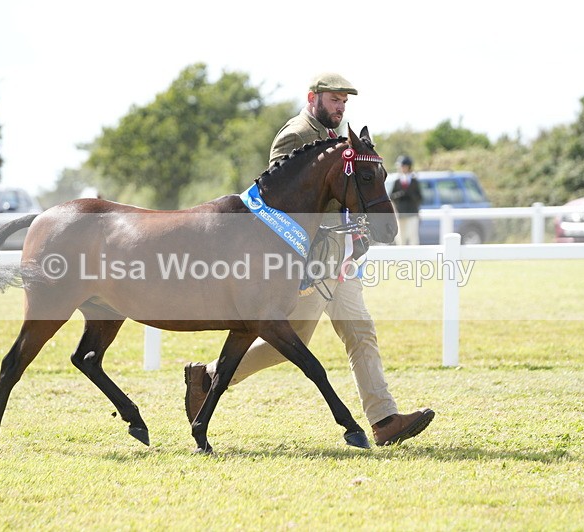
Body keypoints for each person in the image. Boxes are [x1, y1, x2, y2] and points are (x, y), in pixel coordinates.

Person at [184, 73, 434, 446]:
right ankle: (208, 377)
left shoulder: (341, 138)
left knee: (360, 331)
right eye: (334, 100)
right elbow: (282, 204)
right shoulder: (295, 136)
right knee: (295, 338)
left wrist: (355, 230)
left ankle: (384, 420)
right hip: (309, 262)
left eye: (344, 102)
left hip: (339, 257)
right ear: (313, 97)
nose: (340, 107)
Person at [388, 155, 423, 245]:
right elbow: (391, 196)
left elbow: (419, 198)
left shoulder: (414, 181)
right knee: (401, 237)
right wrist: (400, 194)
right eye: (401, 166)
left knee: (413, 236)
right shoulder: (397, 181)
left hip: (412, 212)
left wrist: (409, 193)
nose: (402, 168)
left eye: (404, 166)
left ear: (409, 167)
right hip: (400, 212)